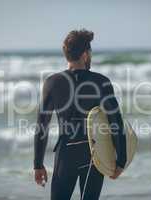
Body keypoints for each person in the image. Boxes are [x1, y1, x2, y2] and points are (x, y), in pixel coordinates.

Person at [34, 29, 126, 200]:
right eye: (90, 53)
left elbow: (42, 126)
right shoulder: (101, 82)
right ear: (85, 54)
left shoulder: (52, 83)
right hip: (93, 155)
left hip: (65, 155)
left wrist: (37, 164)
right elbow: (116, 122)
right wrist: (121, 159)